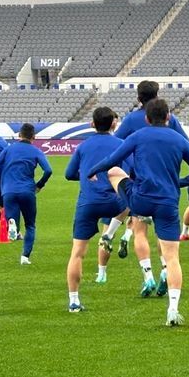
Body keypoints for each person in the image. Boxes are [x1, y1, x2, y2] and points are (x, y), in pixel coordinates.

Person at [86, 98, 189, 326]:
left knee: (114, 173)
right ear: (169, 117)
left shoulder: (138, 136)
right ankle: (173, 309)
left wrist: (92, 171)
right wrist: (178, 183)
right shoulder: (179, 140)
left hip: (140, 199)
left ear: (146, 119)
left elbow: (112, 160)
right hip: (167, 202)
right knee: (172, 258)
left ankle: (114, 230)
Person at [109, 80, 189, 263]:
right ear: (157, 95)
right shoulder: (170, 119)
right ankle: (164, 270)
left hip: (139, 181)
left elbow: (116, 144)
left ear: (138, 97)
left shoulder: (130, 119)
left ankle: (147, 276)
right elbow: (184, 143)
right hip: (166, 182)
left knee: (140, 229)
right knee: (165, 230)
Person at [65, 107, 130, 311]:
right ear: (113, 123)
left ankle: (74, 300)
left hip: (87, 202)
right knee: (131, 203)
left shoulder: (83, 147)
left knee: (77, 253)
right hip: (113, 201)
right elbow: (129, 173)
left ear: (92, 123)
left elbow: (69, 174)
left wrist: (86, 177)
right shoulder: (121, 144)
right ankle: (113, 233)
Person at [0, 123, 53, 265]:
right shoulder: (36, 151)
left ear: (19, 135)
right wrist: (39, 185)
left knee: (12, 218)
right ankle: (25, 257)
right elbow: (48, 170)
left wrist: (5, 177)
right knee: (30, 225)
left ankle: (12, 224)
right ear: (34, 137)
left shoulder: (9, 149)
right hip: (27, 190)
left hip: (8, 190)